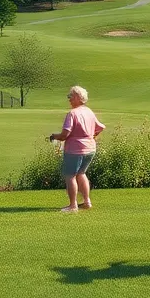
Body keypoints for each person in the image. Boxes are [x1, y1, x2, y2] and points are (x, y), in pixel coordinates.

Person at [49, 85, 106, 213]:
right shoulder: (88, 111)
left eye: (71, 96)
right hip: (90, 148)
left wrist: (54, 136)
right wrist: (92, 135)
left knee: (70, 176)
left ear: (77, 98)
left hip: (75, 150)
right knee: (81, 173)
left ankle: (73, 205)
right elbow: (100, 127)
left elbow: (65, 135)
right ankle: (87, 202)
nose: (69, 99)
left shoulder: (72, 114)